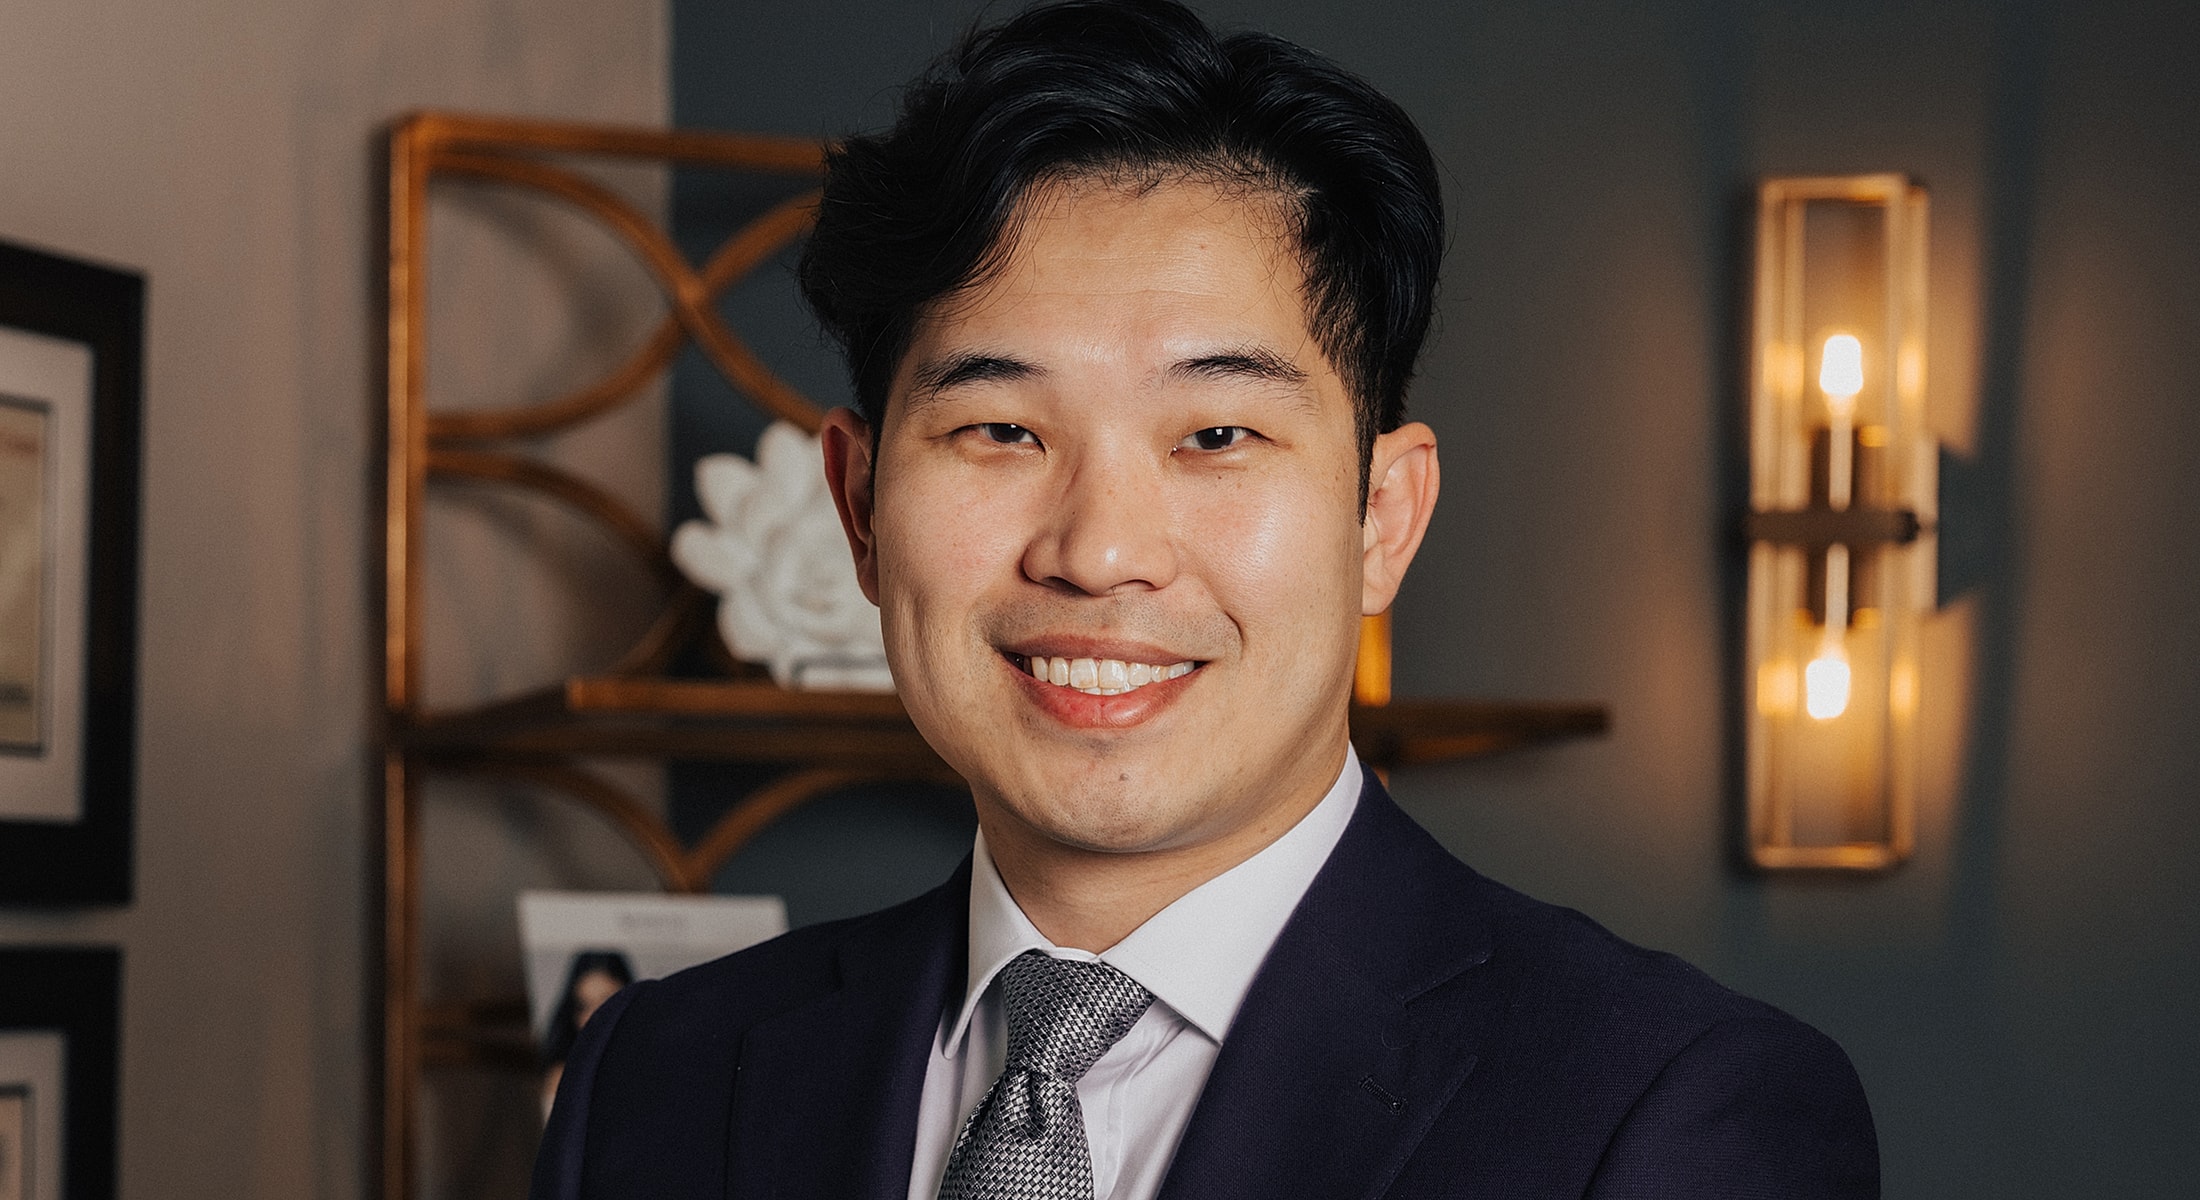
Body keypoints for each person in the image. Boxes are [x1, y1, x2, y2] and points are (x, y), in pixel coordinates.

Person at [531, 2, 1880, 1197]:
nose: (1102, 550)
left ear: (1382, 518)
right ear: (861, 508)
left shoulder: (1661, 1116)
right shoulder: (659, 1075)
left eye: (1216, 437)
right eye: (1000, 430)